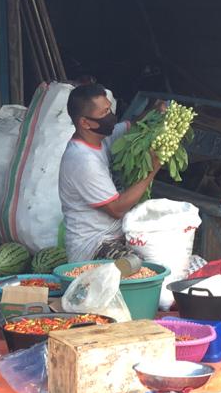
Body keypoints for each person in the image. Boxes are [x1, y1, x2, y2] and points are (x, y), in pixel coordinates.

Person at [58, 84, 160, 262]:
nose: (111, 116)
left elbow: (133, 127)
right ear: (85, 122)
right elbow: (116, 209)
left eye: (109, 108)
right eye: (104, 113)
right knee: (141, 268)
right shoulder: (83, 160)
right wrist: (153, 169)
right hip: (93, 246)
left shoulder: (101, 139)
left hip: (117, 235)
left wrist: (155, 111)